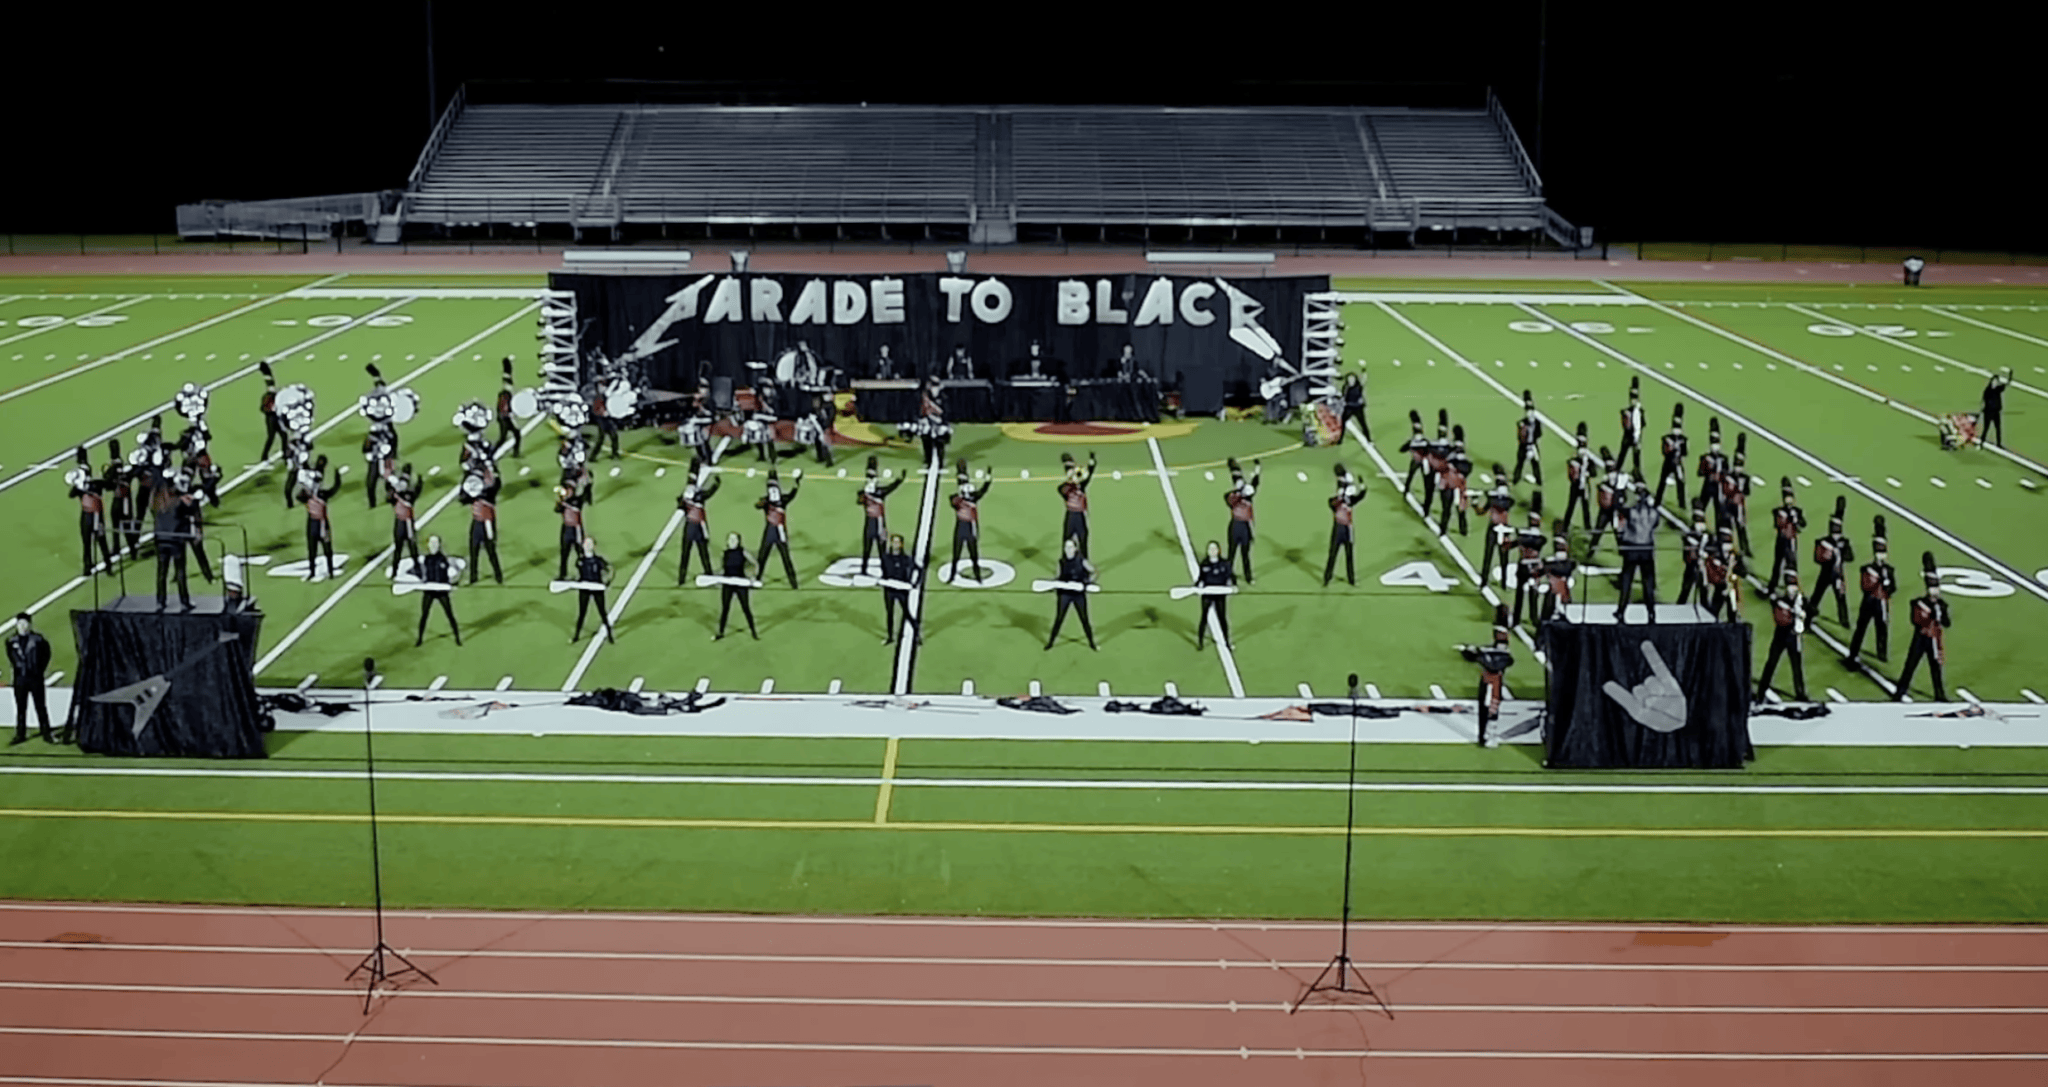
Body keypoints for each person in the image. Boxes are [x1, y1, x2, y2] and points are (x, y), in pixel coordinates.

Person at [1894, 552, 1951, 702]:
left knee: (1936, 669)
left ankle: (1940, 694)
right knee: (1911, 665)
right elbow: (1916, 621)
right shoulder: (1919, 603)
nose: (1935, 591)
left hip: (1934, 639)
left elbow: (1947, 623)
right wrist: (1932, 613)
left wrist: (1940, 613)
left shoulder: (1941, 605)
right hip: (1921, 638)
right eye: (1932, 587)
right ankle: (1900, 691)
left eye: (1936, 587)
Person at [1458, 606, 1514, 747]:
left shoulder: (1494, 654)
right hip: (1493, 681)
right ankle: (1487, 735)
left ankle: (1485, 735)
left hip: (1489, 681)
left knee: (1488, 708)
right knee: (1490, 708)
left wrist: (1472, 652)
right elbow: (1507, 659)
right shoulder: (1501, 652)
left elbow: (1473, 656)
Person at [1846, 517, 1896, 666]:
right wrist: (1880, 579)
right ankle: (1853, 653)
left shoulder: (1889, 570)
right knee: (1861, 629)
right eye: (1878, 552)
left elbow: (1893, 588)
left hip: (1882, 603)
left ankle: (1882, 653)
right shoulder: (1868, 569)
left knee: (1882, 629)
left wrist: (1888, 586)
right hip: (1869, 602)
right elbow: (1865, 586)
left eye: (1883, 553)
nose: (1880, 555)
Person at [1757, 570, 1810, 703]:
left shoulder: (1801, 601)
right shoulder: (1780, 601)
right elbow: (1779, 615)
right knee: (1772, 663)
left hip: (1793, 637)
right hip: (1781, 635)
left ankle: (1800, 693)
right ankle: (1761, 691)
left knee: (1796, 667)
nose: (1791, 590)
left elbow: (1811, 612)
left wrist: (1802, 612)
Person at [1613, 477, 1660, 623]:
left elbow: (1617, 508)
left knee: (1627, 581)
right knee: (1648, 583)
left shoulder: (1631, 512)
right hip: (1646, 549)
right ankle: (1651, 612)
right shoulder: (1653, 513)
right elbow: (1655, 525)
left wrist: (1619, 490)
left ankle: (1621, 611)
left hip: (1632, 548)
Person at [7, 613, 54, 745]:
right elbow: (11, 657)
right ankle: (20, 734)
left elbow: (46, 654)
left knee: (40, 706)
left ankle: (46, 733)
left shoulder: (38, 640)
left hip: (35, 678)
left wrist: (39, 670)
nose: (22, 627)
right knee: (21, 708)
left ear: (30, 625)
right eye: (20, 624)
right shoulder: (11, 641)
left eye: (25, 624)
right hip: (20, 679)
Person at [1807, 497, 1853, 627]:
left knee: (1841, 598)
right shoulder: (1824, 542)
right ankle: (1807, 620)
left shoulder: (1843, 543)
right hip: (1826, 574)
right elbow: (1817, 559)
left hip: (1838, 575)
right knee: (1816, 596)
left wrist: (1843, 551)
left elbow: (1850, 557)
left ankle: (1844, 620)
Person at [66, 450, 114, 578]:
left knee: (101, 542)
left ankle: (108, 566)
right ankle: (88, 566)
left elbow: (110, 485)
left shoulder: (96, 484)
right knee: (87, 543)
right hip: (87, 516)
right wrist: (78, 485)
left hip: (96, 517)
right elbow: (70, 495)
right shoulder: (80, 488)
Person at [1045, 537, 1098, 651]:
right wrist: (1058, 586)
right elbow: (1058, 577)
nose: (1068, 549)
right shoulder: (1061, 562)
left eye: (1070, 547)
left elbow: (1094, 572)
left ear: (1075, 548)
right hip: (1065, 595)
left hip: (1078, 594)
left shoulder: (1082, 561)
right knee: (1059, 619)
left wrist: (1087, 582)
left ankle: (1092, 644)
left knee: (1084, 619)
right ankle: (1050, 643)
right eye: (1066, 547)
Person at [854, 456, 904, 576]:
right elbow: (859, 501)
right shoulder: (867, 493)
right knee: (867, 550)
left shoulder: (879, 492)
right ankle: (864, 571)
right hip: (872, 525)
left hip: (879, 526)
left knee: (882, 552)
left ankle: (885, 572)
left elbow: (891, 488)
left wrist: (899, 480)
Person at [755, 469, 802, 590]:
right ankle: (757, 578)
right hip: (770, 533)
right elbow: (757, 505)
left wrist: (797, 482)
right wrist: (762, 502)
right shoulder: (768, 501)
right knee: (762, 557)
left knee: (786, 558)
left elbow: (793, 494)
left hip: (779, 533)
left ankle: (793, 582)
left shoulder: (782, 500)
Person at [676, 461, 719, 585]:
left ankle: (681, 578)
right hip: (698, 527)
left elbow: (680, 506)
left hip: (689, 527)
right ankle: (708, 573)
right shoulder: (700, 496)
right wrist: (717, 484)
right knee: (703, 553)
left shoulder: (686, 497)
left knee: (685, 555)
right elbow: (710, 492)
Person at [459, 467, 504, 585]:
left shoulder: (489, 492)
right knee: (473, 550)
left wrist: (495, 473)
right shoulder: (475, 491)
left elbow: (496, 486)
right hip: (477, 522)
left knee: (490, 550)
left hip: (487, 522)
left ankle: (498, 575)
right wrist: (465, 480)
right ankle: (473, 577)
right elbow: (462, 498)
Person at [300, 457, 342, 581]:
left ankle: (330, 571)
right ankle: (312, 571)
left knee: (327, 548)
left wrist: (337, 477)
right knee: (312, 549)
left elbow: (334, 489)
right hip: (313, 522)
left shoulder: (322, 494)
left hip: (322, 523)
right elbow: (299, 496)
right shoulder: (307, 494)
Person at [414, 536, 461, 647]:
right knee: (424, 615)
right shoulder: (427, 559)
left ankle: (457, 637)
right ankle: (419, 638)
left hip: (441, 591)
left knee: (449, 614)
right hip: (430, 590)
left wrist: (449, 584)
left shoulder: (443, 559)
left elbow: (449, 575)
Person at [950, 459, 991, 583]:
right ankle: (952, 575)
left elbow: (983, 489)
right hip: (963, 528)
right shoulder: (961, 499)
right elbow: (963, 485)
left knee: (974, 555)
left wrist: (988, 478)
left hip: (968, 529)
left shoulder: (962, 499)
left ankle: (977, 576)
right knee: (956, 554)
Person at [1325, 464, 1366, 587]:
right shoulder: (1341, 501)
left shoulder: (1339, 501)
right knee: (1337, 555)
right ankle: (1330, 578)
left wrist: (1361, 487)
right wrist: (1362, 487)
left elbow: (1358, 496)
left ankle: (1345, 579)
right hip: (1344, 529)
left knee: (1342, 555)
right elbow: (1359, 496)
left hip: (1342, 529)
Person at [569, 537, 616, 644]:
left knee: (602, 612)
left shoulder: (598, 560)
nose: (588, 546)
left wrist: (607, 581)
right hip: (585, 589)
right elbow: (578, 574)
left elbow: (611, 569)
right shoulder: (580, 561)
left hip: (597, 588)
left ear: (594, 546)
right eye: (586, 544)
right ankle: (576, 635)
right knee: (582, 612)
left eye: (590, 544)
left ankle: (610, 635)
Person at [714, 532, 760, 640]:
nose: (732, 542)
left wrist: (753, 576)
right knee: (725, 609)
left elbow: (755, 564)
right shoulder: (725, 553)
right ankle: (720, 633)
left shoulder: (743, 552)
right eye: (730, 539)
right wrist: (718, 578)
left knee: (746, 608)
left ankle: (754, 632)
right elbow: (722, 569)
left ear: (739, 541)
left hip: (741, 583)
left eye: (734, 539)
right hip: (728, 584)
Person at [1224, 457, 1262, 583]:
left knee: (1245, 554)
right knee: (1232, 554)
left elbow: (1254, 482)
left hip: (1244, 526)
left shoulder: (1242, 494)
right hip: (1237, 525)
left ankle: (1248, 577)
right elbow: (1237, 482)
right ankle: (1229, 576)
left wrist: (1257, 469)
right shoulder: (1234, 497)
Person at [1192, 539, 1235, 649]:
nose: (1212, 551)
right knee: (1204, 617)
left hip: (1220, 595)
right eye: (1210, 549)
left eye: (1214, 549)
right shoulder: (1204, 564)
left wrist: (1233, 586)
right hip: (1207, 595)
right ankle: (1200, 642)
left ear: (1218, 550)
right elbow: (1200, 579)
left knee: (1222, 618)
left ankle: (1227, 642)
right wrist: (1197, 586)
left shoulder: (1225, 564)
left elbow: (1230, 576)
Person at [1510, 499, 1545, 629]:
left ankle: (1517, 619)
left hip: (1526, 565)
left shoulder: (1524, 535)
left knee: (1523, 594)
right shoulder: (1540, 538)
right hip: (1533, 566)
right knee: (1530, 594)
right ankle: (1531, 618)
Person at [880, 534, 920, 645]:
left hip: (902, 590)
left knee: (907, 613)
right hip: (889, 590)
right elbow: (884, 572)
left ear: (901, 544)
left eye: (898, 542)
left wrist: (914, 583)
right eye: (894, 542)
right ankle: (890, 637)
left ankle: (916, 636)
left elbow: (918, 570)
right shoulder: (885, 558)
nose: (895, 544)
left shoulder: (906, 559)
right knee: (890, 613)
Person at [1767, 478, 1806, 592]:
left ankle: (1793, 587)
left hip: (1791, 541)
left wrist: (1796, 520)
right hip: (1781, 540)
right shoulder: (1779, 511)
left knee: (1792, 565)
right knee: (1777, 564)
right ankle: (1772, 586)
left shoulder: (1797, 511)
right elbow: (1778, 525)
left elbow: (1803, 524)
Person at [1587, 448, 1628, 552]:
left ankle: (1622, 550)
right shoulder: (1605, 483)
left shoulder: (1618, 484)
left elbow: (1624, 497)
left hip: (1615, 512)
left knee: (1618, 533)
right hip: (1606, 511)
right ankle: (1592, 549)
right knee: (1599, 531)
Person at [1057, 451, 1097, 559]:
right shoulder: (1065, 488)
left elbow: (1089, 474)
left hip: (1080, 516)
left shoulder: (1081, 486)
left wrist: (1092, 462)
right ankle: (1065, 563)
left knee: (1083, 539)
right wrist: (1071, 481)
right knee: (1066, 540)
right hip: (1070, 515)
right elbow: (1062, 490)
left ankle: (1085, 563)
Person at [1563, 424, 1600, 535]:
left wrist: (1587, 473)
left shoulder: (1588, 460)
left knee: (1585, 508)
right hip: (1576, 486)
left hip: (1584, 486)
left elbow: (1594, 473)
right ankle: (1565, 526)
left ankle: (1587, 527)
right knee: (1571, 506)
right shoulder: (1576, 459)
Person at [387, 464, 422, 578]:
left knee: (401, 548)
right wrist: (420, 482)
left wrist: (389, 483)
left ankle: (395, 571)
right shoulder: (408, 493)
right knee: (411, 547)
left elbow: (389, 495)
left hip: (401, 522)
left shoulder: (399, 494)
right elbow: (416, 492)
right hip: (407, 523)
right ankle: (417, 570)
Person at [1437, 428, 1473, 537]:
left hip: (1450, 485)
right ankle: (1463, 530)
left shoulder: (1451, 456)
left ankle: (1443, 530)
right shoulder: (1463, 459)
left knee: (1447, 510)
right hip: (1459, 485)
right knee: (1460, 510)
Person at [1654, 404, 1688, 509]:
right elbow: (1664, 451)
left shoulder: (1683, 440)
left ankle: (1682, 504)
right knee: (1662, 482)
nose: (1677, 431)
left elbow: (1685, 453)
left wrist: (1680, 448)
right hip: (1668, 462)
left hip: (1677, 463)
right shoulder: (1667, 439)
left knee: (1680, 483)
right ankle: (1657, 501)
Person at [1676, 505, 1709, 607]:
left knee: (1703, 591)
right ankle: (1679, 607)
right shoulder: (1690, 536)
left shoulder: (1706, 536)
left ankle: (1706, 609)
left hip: (1702, 566)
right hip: (1692, 565)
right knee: (1686, 588)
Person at [554, 484, 588, 581]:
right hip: (566, 529)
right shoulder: (564, 502)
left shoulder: (576, 500)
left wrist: (563, 501)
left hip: (576, 529)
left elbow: (574, 507)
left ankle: (583, 574)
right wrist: (559, 502)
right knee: (564, 554)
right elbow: (557, 510)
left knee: (580, 554)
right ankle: (562, 574)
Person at [1616, 376, 1646, 478]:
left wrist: (1638, 438)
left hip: (1634, 435)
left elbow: (1642, 425)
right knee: (1623, 452)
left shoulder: (1638, 411)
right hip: (1628, 435)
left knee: (1636, 456)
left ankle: (1636, 470)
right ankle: (1617, 468)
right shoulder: (1628, 411)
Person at [1511, 390, 1542, 486]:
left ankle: (1538, 479)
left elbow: (1539, 433)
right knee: (1520, 463)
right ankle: (1516, 478)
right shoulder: (1523, 423)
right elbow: (1520, 436)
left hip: (1531, 445)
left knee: (1535, 464)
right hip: (1525, 446)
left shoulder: (1534, 422)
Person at [494, 356, 524, 458]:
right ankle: (492, 453)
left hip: (503, 418)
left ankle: (516, 452)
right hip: (505, 419)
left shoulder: (504, 393)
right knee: (503, 438)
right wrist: (512, 420)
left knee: (516, 435)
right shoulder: (505, 394)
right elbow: (505, 410)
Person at [258, 361, 287, 461]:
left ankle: (285, 453)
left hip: (275, 417)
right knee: (271, 437)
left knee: (284, 435)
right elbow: (262, 408)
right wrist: (269, 410)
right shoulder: (267, 398)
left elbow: (270, 381)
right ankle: (264, 456)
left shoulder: (273, 396)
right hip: (271, 418)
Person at [1399, 410, 1430, 496]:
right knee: (1426, 478)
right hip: (1424, 461)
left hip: (1416, 461)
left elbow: (1401, 450)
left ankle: (1406, 490)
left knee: (1411, 475)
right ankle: (1427, 492)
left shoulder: (1412, 442)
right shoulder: (1425, 442)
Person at [1982, 367, 2012, 448]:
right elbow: (1984, 401)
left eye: (1997, 381)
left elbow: (2006, 384)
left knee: (1998, 428)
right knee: (1986, 428)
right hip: (1988, 412)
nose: (1996, 382)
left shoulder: (1997, 389)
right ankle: (1982, 442)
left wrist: (2010, 376)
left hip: (1995, 412)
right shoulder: (1987, 391)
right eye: (1995, 381)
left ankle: (1998, 444)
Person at [1339, 372, 1369, 441]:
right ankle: (1340, 439)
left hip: (1358, 408)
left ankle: (1368, 438)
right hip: (1349, 408)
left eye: (1353, 379)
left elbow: (1364, 380)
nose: (1351, 381)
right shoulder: (1346, 387)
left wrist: (1364, 370)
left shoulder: (1358, 386)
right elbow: (1343, 397)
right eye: (1350, 379)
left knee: (1363, 423)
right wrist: (1343, 402)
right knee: (1342, 422)